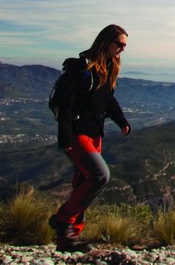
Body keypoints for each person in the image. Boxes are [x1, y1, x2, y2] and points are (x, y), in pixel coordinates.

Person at [49, 24, 131, 252]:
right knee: (99, 176)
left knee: (82, 182)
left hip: (96, 133)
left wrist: (122, 122)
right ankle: (63, 220)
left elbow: (108, 100)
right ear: (106, 42)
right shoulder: (80, 68)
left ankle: (70, 237)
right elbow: (65, 103)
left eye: (125, 45)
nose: (122, 49)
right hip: (78, 133)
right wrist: (65, 137)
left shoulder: (109, 66)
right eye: (120, 44)